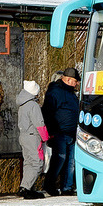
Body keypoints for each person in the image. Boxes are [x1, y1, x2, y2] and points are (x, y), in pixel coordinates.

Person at [41, 66, 81, 196]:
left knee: (71, 161)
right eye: (75, 82)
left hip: (72, 133)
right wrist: (51, 132)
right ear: (69, 80)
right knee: (60, 159)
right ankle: (49, 184)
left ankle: (67, 187)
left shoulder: (71, 94)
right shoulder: (55, 92)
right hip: (59, 132)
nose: (76, 84)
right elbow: (48, 112)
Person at [15, 79, 47, 199]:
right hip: (33, 137)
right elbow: (39, 123)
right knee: (37, 162)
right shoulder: (33, 105)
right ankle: (26, 188)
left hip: (23, 136)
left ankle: (26, 186)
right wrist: (45, 138)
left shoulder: (22, 105)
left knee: (28, 162)